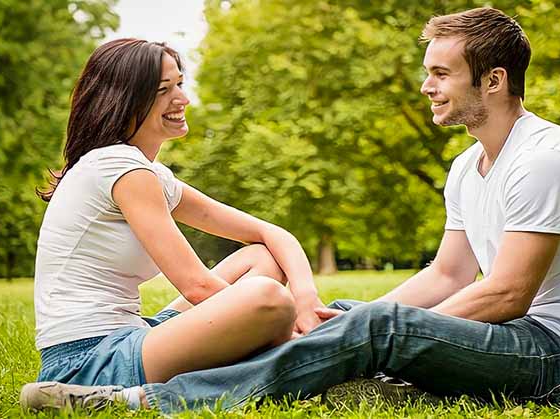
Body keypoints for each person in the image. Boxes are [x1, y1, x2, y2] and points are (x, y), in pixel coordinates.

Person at [21, 8, 560, 413]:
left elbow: (507, 296)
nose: (426, 86)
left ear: (494, 81)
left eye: (441, 74)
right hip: (513, 338)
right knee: (349, 318)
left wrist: (388, 334)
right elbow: (448, 276)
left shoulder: (545, 159)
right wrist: (350, 320)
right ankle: (344, 356)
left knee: (371, 328)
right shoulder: (467, 169)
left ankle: (150, 402)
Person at [19, 38, 329, 410]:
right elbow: (197, 286)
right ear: (125, 99)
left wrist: (307, 297)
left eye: (179, 84)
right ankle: (111, 398)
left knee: (262, 259)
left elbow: (269, 233)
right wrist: (291, 323)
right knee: (268, 299)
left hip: (132, 336)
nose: (182, 99)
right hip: (87, 362)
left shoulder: (149, 173)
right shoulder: (120, 168)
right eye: (163, 90)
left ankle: (262, 354)